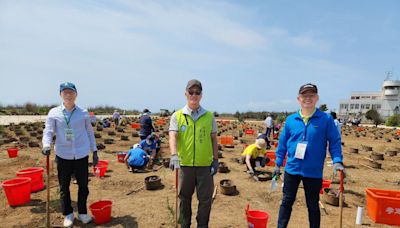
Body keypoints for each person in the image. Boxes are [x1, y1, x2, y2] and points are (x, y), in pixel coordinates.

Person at [274, 83, 345, 228]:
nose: (308, 98)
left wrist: (337, 160)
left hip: (313, 171)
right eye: (304, 95)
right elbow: (282, 143)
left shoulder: (325, 119)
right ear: (298, 99)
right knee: (286, 201)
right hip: (292, 169)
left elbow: (334, 141)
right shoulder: (291, 120)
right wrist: (278, 163)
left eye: (311, 95)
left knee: (313, 205)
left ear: (317, 98)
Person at [42, 82, 98, 227]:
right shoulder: (54, 113)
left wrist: (95, 151)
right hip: (63, 155)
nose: (68, 95)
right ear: (60, 94)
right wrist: (46, 145)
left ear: (76, 94)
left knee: (84, 186)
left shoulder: (83, 113)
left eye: (71, 92)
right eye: (65, 92)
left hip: (81, 154)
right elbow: (48, 131)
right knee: (64, 187)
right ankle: (68, 214)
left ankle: (82, 213)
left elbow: (90, 133)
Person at [168, 79, 219, 228]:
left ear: (201, 95)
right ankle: (185, 224)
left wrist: (215, 160)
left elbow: (214, 139)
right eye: (191, 92)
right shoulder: (177, 116)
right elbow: (173, 136)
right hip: (185, 165)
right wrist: (173, 155)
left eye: (197, 92)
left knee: (205, 200)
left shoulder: (209, 116)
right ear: (186, 94)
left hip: (205, 166)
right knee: (184, 198)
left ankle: (202, 225)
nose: (194, 95)